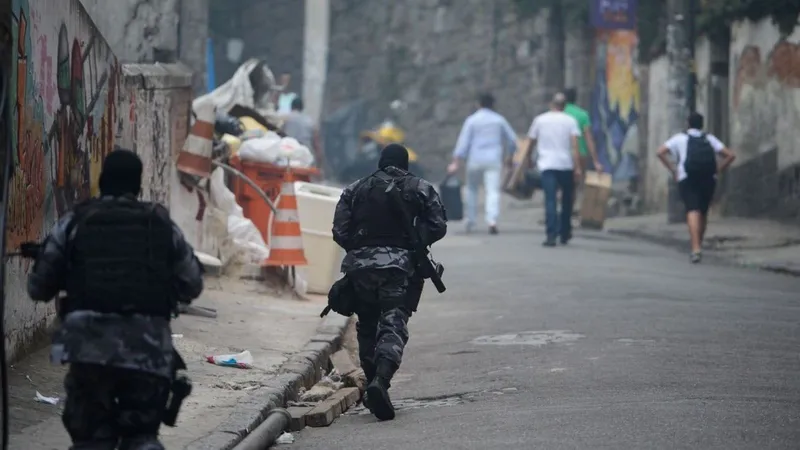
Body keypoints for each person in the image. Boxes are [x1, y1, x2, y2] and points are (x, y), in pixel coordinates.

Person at [27, 149, 204, 450]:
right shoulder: (160, 225)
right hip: (147, 351)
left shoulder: (74, 222)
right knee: (142, 439)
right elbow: (192, 283)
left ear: (102, 180)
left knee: (90, 440)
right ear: (137, 185)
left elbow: (38, 288)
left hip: (88, 351)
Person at [332, 144, 447, 421]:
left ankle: (372, 381)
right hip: (399, 268)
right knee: (394, 321)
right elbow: (438, 225)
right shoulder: (420, 187)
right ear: (405, 164)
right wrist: (415, 242)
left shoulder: (354, 189)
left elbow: (340, 231)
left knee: (367, 324)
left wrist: (361, 251)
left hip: (359, 270)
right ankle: (380, 382)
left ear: (380, 162)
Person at [656, 112, 736, 263]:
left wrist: (672, 169)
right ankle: (698, 243)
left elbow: (660, 152)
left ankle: (695, 248)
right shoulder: (709, 139)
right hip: (708, 178)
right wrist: (718, 169)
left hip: (687, 177)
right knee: (703, 212)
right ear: (702, 124)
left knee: (692, 209)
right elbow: (730, 155)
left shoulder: (680, 138)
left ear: (688, 123)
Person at [447, 92, 517, 235]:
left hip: (475, 160)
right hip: (493, 160)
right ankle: (492, 220)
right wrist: (510, 156)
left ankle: (471, 220)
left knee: (472, 189)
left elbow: (463, 142)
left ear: (478, 104)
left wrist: (456, 161)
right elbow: (512, 140)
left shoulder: (472, 120)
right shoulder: (499, 120)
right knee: (492, 191)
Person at [524, 92, 582, 247]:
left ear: (551, 104)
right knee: (567, 200)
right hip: (565, 165)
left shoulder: (540, 120)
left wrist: (528, 160)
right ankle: (564, 232)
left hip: (547, 165)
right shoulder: (571, 121)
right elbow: (575, 146)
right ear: (564, 106)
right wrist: (577, 167)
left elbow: (530, 142)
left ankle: (551, 235)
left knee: (550, 199)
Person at [563, 87, 603, 213]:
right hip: (580, 153)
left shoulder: (559, 113)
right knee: (575, 184)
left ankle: (563, 206)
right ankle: (569, 208)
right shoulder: (582, 114)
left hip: (563, 152)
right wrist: (596, 160)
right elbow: (588, 138)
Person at [283, 97, 323, 169]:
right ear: (302, 108)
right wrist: (319, 163)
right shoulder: (310, 122)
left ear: (291, 106)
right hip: (304, 158)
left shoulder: (285, 119)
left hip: (287, 157)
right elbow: (316, 144)